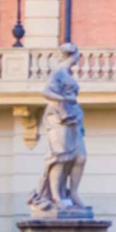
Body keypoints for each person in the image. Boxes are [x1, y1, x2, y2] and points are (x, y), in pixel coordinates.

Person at [27, 42, 88, 212]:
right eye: (77, 55)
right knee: (60, 157)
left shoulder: (66, 73)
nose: (78, 59)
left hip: (73, 117)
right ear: (73, 55)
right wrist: (63, 99)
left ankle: (73, 194)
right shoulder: (59, 72)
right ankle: (56, 196)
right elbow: (45, 91)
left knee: (80, 157)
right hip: (59, 117)